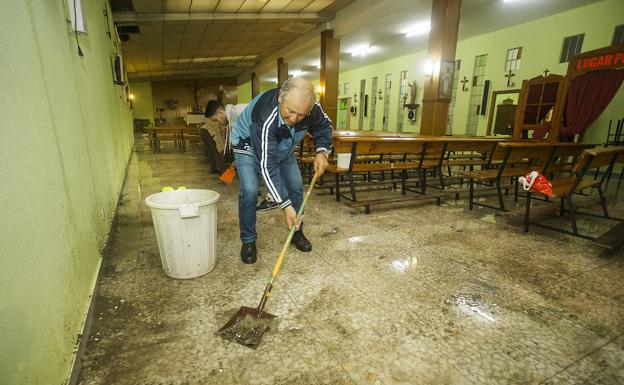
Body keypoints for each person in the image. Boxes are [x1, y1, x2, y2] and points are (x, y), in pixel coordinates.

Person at [231, 77, 333, 264]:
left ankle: (296, 231)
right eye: (290, 111)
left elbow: (324, 127)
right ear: (280, 98)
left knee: (295, 186)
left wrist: (322, 151)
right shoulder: (264, 117)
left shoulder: (311, 108)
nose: (294, 119)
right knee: (250, 190)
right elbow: (267, 166)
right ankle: (248, 240)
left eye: (301, 115)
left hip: (282, 146)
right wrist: (285, 205)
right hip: (247, 144)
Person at [204, 100, 278, 211]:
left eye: (216, 120)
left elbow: (259, 127)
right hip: (259, 138)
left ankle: (273, 198)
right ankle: (254, 189)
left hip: (267, 136)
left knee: (262, 165)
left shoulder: (238, 113)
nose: (218, 123)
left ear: (220, 112)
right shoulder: (232, 115)